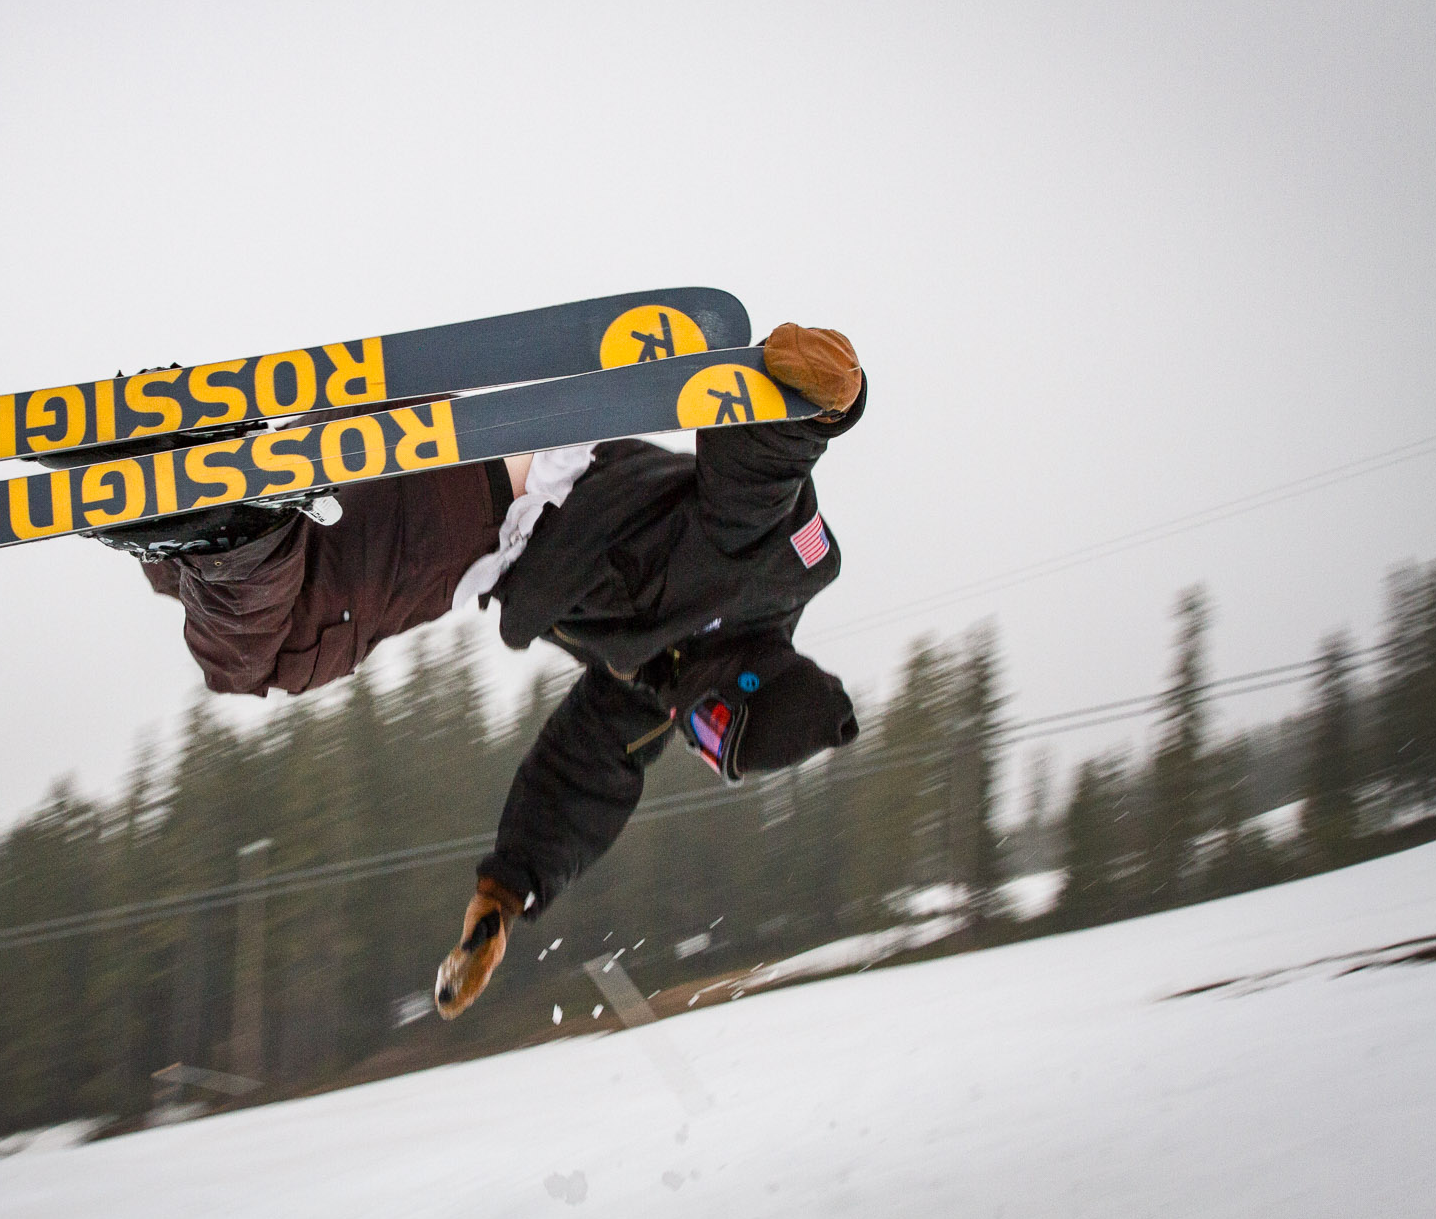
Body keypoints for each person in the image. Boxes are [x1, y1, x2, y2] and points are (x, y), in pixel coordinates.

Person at [98, 322, 867, 1018]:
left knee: (237, 609)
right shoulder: (767, 572)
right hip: (511, 488)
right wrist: (827, 405)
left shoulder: (662, 678)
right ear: (751, 681)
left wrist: (507, 893)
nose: (689, 731)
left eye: (703, 750)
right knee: (288, 648)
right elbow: (763, 482)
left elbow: (587, 776)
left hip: (472, 520)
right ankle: (230, 522)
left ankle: (178, 491)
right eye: (710, 727)